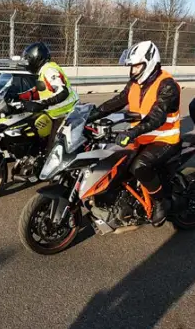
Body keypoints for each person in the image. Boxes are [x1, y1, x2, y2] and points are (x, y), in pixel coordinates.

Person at [89, 40, 181, 227]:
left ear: (150, 62)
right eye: (131, 67)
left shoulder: (167, 85)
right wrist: (91, 115)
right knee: (112, 160)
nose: (133, 71)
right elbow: (118, 100)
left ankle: (161, 202)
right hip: (140, 136)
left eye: (137, 66)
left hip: (164, 139)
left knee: (139, 166)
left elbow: (157, 117)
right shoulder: (135, 83)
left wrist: (131, 132)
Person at [15, 42, 79, 154]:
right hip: (53, 113)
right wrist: (17, 96)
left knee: (53, 150)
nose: (27, 62)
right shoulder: (43, 71)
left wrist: (43, 104)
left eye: (29, 59)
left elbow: (63, 92)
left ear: (36, 58)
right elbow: (40, 91)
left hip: (65, 113)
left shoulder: (49, 70)